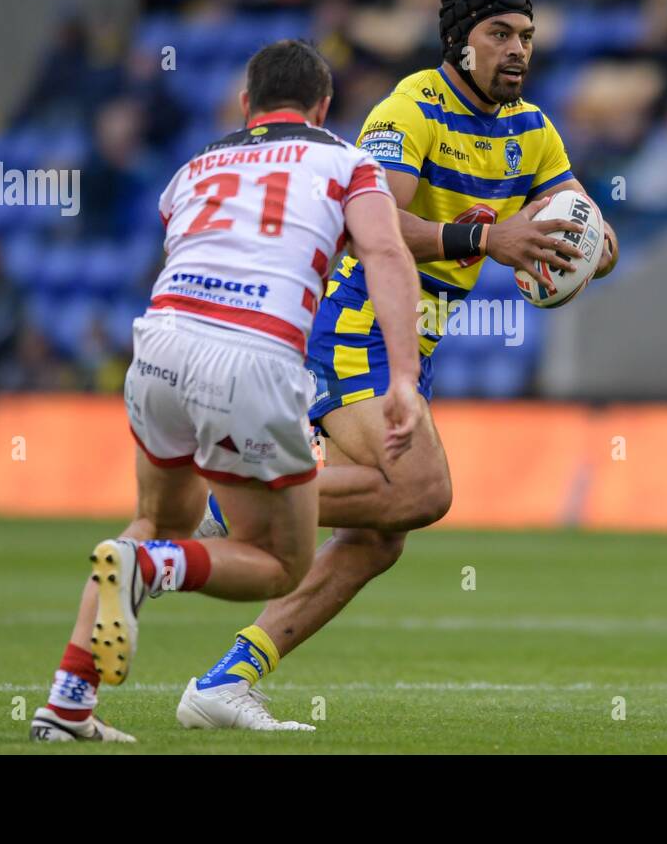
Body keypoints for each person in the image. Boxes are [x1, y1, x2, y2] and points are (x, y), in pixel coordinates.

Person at [188, 0, 619, 731]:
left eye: (525, 36)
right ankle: (239, 503)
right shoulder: (411, 106)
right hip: (351, 320)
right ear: (460, 39)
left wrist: (591, 246)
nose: (517, 51)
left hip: (414, 334)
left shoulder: (535, 130)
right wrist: (491, 238)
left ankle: (226, 682)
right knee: (423, 491)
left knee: (381, 536)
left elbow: (576, 216)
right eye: (499, 35)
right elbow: (372, 220)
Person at [30, 39, 421, 742]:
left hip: (158, 347)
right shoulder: (347, 161)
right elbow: (387, 253)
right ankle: (154, 568)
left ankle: (68, 699)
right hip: (254, 356)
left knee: (151, 518)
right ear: (324, 107)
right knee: (280, 563)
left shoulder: (193, 167)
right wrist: (402, 376)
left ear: (246, 105)